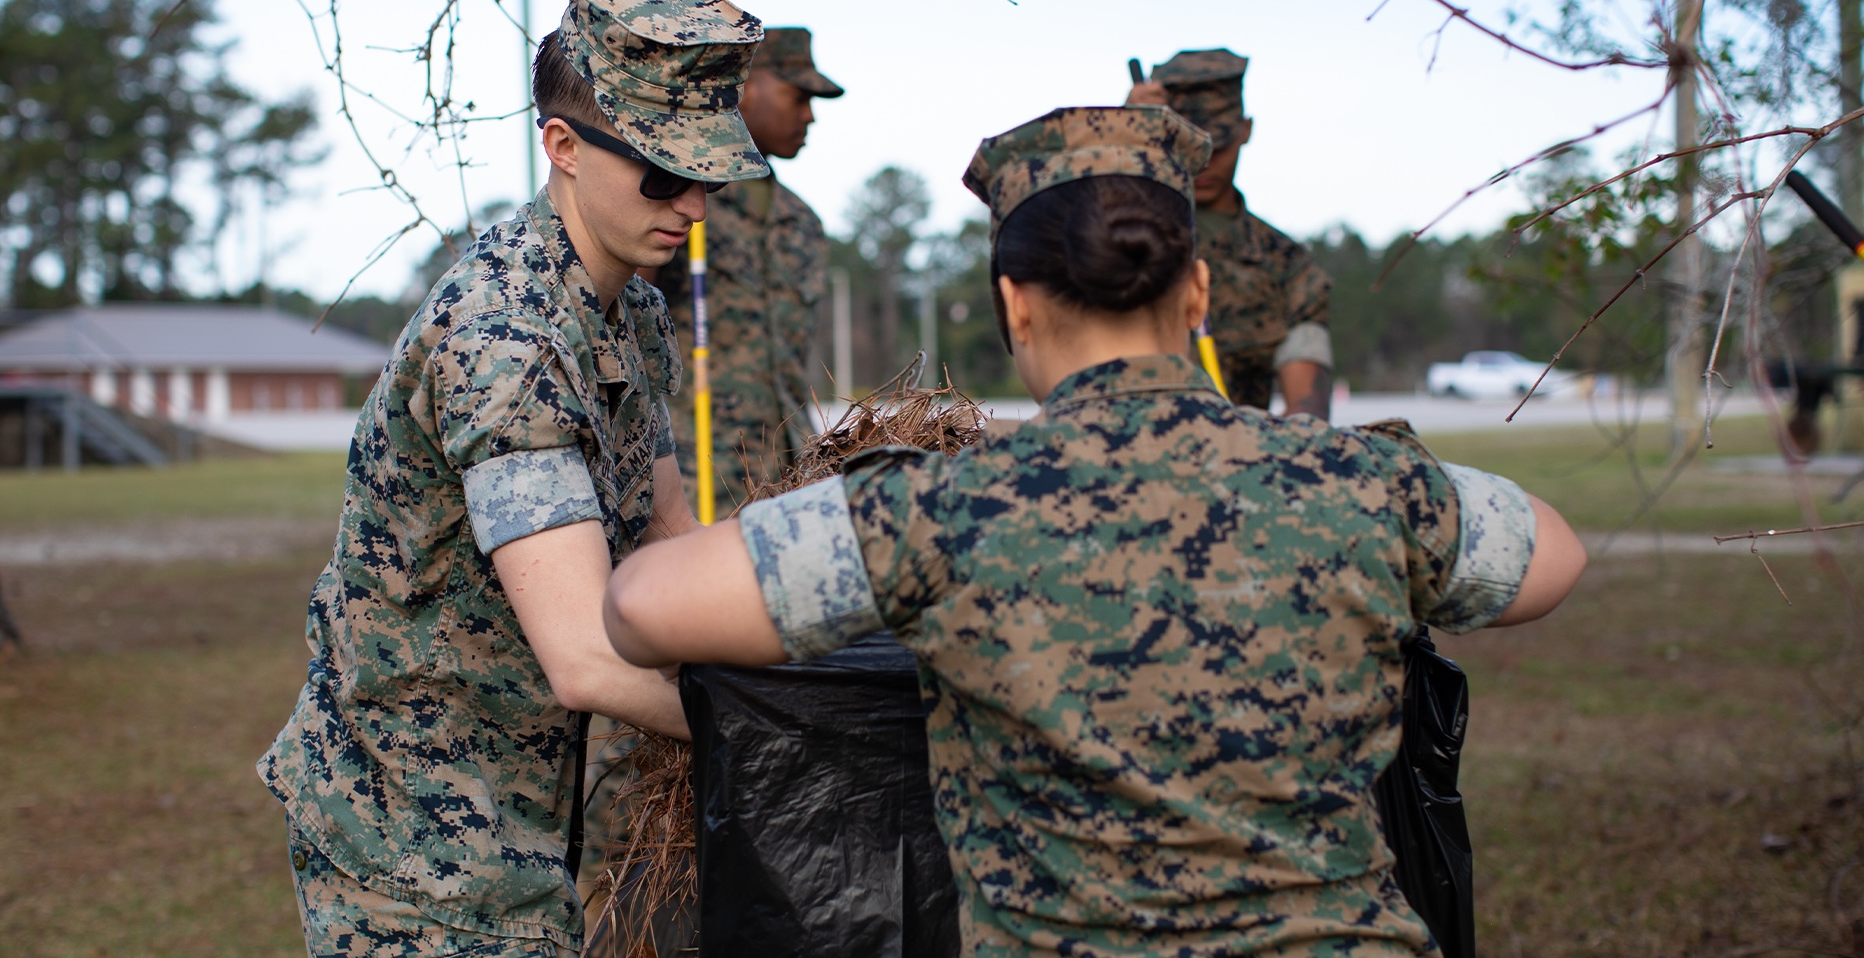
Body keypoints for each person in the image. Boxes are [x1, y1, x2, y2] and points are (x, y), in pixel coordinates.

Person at [601, 105, 1587, 956]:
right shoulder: (1358, 484)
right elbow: (1552, 557)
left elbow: (644, 611)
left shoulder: (942, 511)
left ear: (1014, 306)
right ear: (1197, 294)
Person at [257, 0, 770, 957]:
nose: (694, 206)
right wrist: (776, 730)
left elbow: (667, 539)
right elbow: (584, 658)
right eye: (662, 175)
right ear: (563, 147)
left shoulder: (632, 313)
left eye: (707, 174)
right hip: (411, 825)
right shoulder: (506, 343)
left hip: (517, 791)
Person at [648, 27, 842, 516]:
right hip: (696, 482)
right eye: (798, 97)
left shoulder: (801, 222)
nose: (810, 115)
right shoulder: (680, 203)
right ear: (745, 88)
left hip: (788, 481)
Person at [1128, 48, 1335, 419]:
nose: (1204, 162)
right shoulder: (1119, 239)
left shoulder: (1285, 263)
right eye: (1188, 147)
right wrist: (1123, 146)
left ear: (1246, 130)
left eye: (1218, 146)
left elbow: (1309, 416)